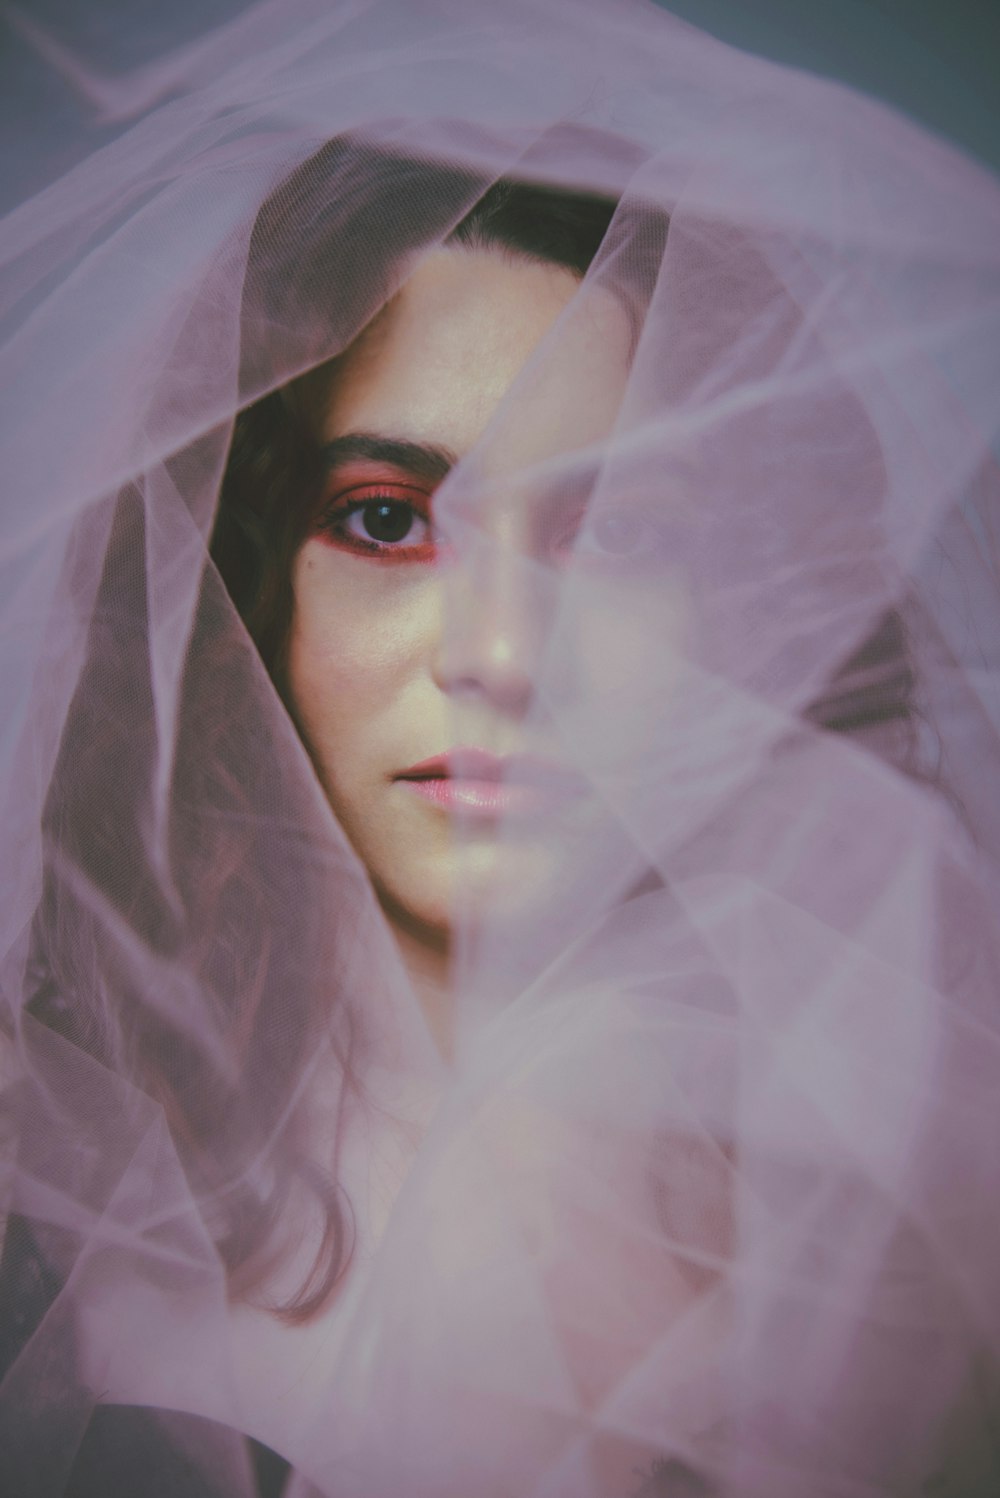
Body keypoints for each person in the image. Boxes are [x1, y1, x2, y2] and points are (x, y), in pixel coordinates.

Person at [2, 3, 999, 1495]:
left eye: (618, 534)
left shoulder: (902, 1192)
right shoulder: (43, 1190)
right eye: (389, 518)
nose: (508, 654)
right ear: (241, 575)